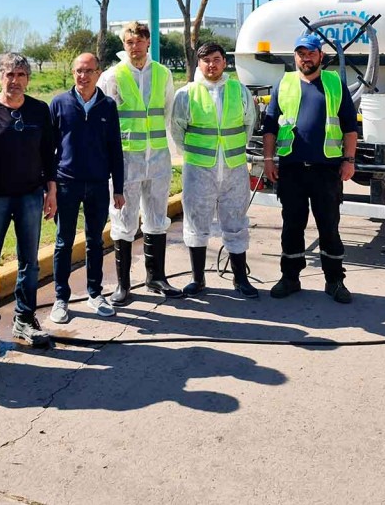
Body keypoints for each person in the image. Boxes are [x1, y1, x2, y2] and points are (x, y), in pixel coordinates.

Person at [0, 53, 57, 356]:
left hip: (30, 195)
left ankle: (25, 319)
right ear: (0, 76)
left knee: (29, 263)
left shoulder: (39, 110)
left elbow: (49, 155)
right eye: (9, 74)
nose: (15, 80)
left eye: (21, 75)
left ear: (28, 79)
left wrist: (51, 191)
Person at [261, 33, 359, 303]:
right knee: (292, 226)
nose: (306, 58)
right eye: (301, 53)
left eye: (311, 53)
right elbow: (269, 127)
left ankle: (335, 280)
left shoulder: (334, 83)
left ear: (321, 56)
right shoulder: (285, 83)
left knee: (329, 226)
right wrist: (269, 160)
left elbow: (350, 127)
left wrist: (349, 160)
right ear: (295, 57)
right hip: (291, 169)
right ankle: (290, 278)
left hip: (326, 170)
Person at [96, 21, 183, 305]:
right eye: (129, 42)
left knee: (157, 216)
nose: (135, 47)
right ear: (124, 45)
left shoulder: (162, 73)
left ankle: (156, 276)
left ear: (148, 42)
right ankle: (123, 285)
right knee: (123, 219)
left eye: (140, 41)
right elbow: (103, 119)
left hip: (157, 157)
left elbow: (169, 112)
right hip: (126, 160)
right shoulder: (112, 76)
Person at [169, 42, 258, 298]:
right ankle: (198, 280)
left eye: (216, 59)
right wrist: (195, 155)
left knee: (236, 222)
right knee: (196, 222)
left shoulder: (238, 91)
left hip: (233, 168)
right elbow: (178, 130)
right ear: (199, 63)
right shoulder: (186, 94)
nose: (212, 64)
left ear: (224, 62)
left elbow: (249, 123)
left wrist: (232, 150)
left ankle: (240, 279)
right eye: (206, 60)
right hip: (199, 170)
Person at [48, 53, 126, 323]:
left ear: (98, 73)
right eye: (79, 71)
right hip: (66, 184)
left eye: (89, 71)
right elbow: (47, 150)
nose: (83, 76)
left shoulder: (107, 106)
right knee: (63, 242)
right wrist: (50, 188)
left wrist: (118, 187)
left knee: (94, 241)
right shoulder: (59, 103)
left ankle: (95, 293)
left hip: (97, 184)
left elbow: (115, 149)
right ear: (73, 73)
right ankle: (61, 299)